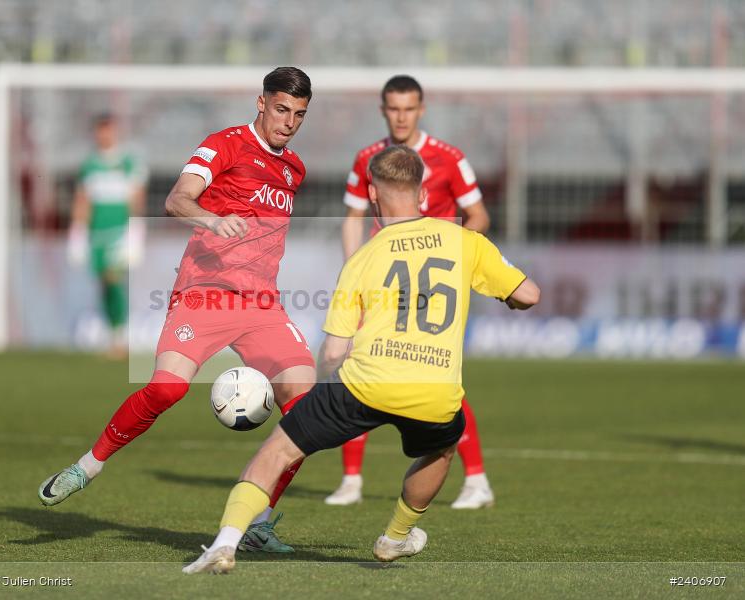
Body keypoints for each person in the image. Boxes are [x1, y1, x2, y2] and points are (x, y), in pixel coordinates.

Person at [183, 145, 539, 574]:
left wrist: (321, 393)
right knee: (443, 447)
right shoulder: (467, 242)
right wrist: (512, 301)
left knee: (277, 450)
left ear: (373, 193)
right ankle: (396, 537)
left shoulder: (364, 258)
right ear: (422, 194)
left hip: (363, 385)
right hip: (434, 391)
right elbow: (528, 294)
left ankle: (225, 543)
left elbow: (333, 350)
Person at [39, 67, 317, 554]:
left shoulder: (294, 169)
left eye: (298, 114)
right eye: (281, 109)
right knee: (167, 389)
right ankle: (87, 467)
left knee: (306, 405)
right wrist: (214, 218)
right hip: (204, 292)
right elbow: (176, 200)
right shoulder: (225, 144)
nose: (288, 121)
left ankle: (260, 520)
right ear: (261, 103)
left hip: (260, 303)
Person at [328, 75, 495, 510]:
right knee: (360, 365)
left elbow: (478, 216)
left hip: (432, 289)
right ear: (383, 110)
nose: (401, 116)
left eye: (409, 108)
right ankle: (351, 480)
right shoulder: (368, 157)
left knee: (440, 378)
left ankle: (476, 480)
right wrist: (354, 273)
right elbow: (352, 217)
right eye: (393, 108)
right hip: (384, 282)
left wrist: (450, 250)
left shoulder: (449, 158)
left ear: (421, 110)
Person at [68, 113, 147, 359]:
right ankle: (113, 335)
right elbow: (83, 200)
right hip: (96, 233)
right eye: (101, 130)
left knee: (114, 281)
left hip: (119, 232)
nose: (105, 135)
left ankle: (120, 338)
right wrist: (77, 233)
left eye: (109, 130)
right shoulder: (89, 165)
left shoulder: (129, 162)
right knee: (103, 284)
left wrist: (135, 232)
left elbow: (136, 198)